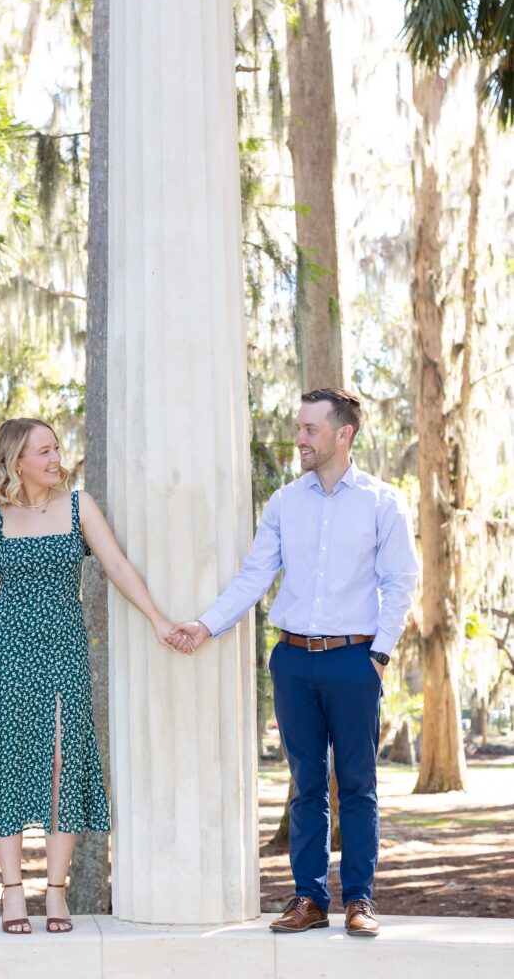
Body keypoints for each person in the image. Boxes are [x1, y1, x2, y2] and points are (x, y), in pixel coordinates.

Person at [169, 388, 419, 937]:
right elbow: (255, 575)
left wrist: (378, 656)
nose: (299, 438)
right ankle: (309, 899)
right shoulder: (285, 502)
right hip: (293, 660)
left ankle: (359, 900)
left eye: (310, 429)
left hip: (355, 660)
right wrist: (207, 623)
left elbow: (401, 584)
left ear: (343, 434)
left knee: (356, 784)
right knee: (305, 784)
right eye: (299, 428)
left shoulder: (383, 502)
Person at [0, 417, 190, 935]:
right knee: (9, 765)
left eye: (56, 448)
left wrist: (156, 617)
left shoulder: (79, 507)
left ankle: (55, 892)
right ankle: (12, 891)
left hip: (63, 648)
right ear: (17, 460)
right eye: (44, 451)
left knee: (63, 760)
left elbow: (117, 565)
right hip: (6, 652)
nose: (56, 458)